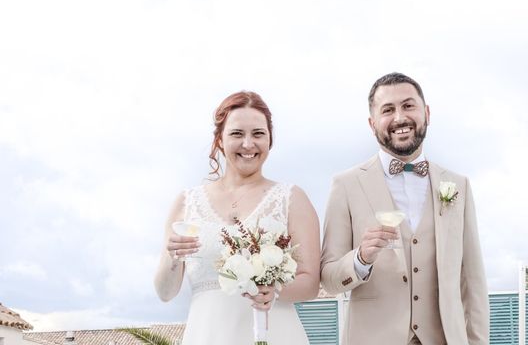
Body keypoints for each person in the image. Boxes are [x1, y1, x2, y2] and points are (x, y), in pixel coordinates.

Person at [320, 72, 489, 345]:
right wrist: (361, 258)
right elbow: (328, 278)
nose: (399, 117)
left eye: (408, 106)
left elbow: (473, 282)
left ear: (427, 113)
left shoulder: (458, 185)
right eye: (388, 110)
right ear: (372, 123)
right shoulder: (346, 185)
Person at [154, 91, 320, 345]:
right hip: (207, 335)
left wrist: (274, 290)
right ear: (219, 140)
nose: (248, 144)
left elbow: (310, 284)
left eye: (258, 134)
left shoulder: (292, 198)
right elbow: (165, 293)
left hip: (276, 334)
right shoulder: (186, 203)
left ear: (270, 140)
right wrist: (172, 257)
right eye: (236, 134)